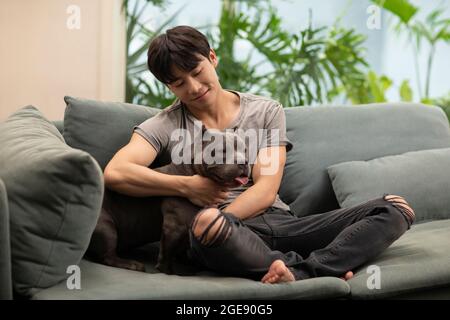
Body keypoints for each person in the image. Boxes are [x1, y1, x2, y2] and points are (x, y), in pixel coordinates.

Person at [104, 25, 415, 284]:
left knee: (394, 209)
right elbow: (116, 173)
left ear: (212, 58)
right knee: (206, 223)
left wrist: (227, 216)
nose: (194, 87)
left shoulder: (265, 111)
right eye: (179, 83)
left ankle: (301, 271)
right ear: (168, 87)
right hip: (219, 237)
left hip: (278, 223)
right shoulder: (164, 124)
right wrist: (188, 187)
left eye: (197, 72)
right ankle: (310, 267)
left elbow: (266, 188)